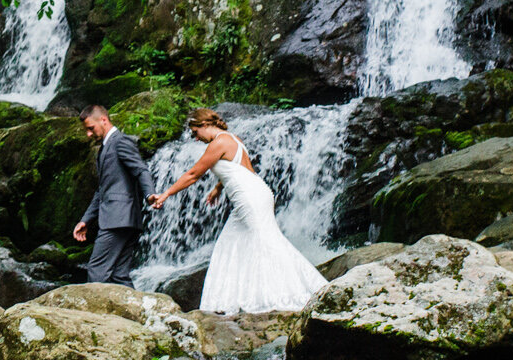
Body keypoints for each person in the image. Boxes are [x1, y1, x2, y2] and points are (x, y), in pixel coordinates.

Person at [148, 107, 328, 314]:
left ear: (205, 125)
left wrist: (165, 194)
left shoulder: (220, 142)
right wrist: (218, 188)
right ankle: (225, 302)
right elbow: (241, 169)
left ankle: (299, 293)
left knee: (267, 243)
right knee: (230, 243)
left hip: (249, 198)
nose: (195, 138)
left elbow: (193, 174)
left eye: (195, 132)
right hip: (256, 193)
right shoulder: (233, 139)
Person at [72, 104, 156, 286]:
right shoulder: (106, 147)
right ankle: (136, 314)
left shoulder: (120, 142)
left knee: (97, 270)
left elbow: (141, 170)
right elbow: (102, 189)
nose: (88, 134)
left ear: (103, 120)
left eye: (90, 128)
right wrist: (86, 220)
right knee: (119, 275)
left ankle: (94, 314)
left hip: (117, 219)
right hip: (125, 219)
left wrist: (150, 195)